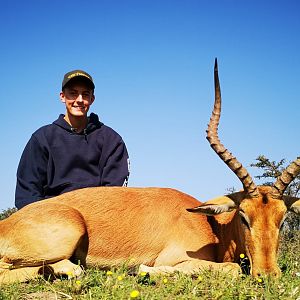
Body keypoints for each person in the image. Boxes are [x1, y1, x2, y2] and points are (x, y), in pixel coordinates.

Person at [15, 70, 130, 209]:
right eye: (73, 93)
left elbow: (114, 195)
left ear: (92, 99)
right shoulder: (42, 138)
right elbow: (27, 193)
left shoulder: (112, 140)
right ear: (62, 96)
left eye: (85, 94)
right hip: (50, 218)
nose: (79, 99)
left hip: (96, 218)